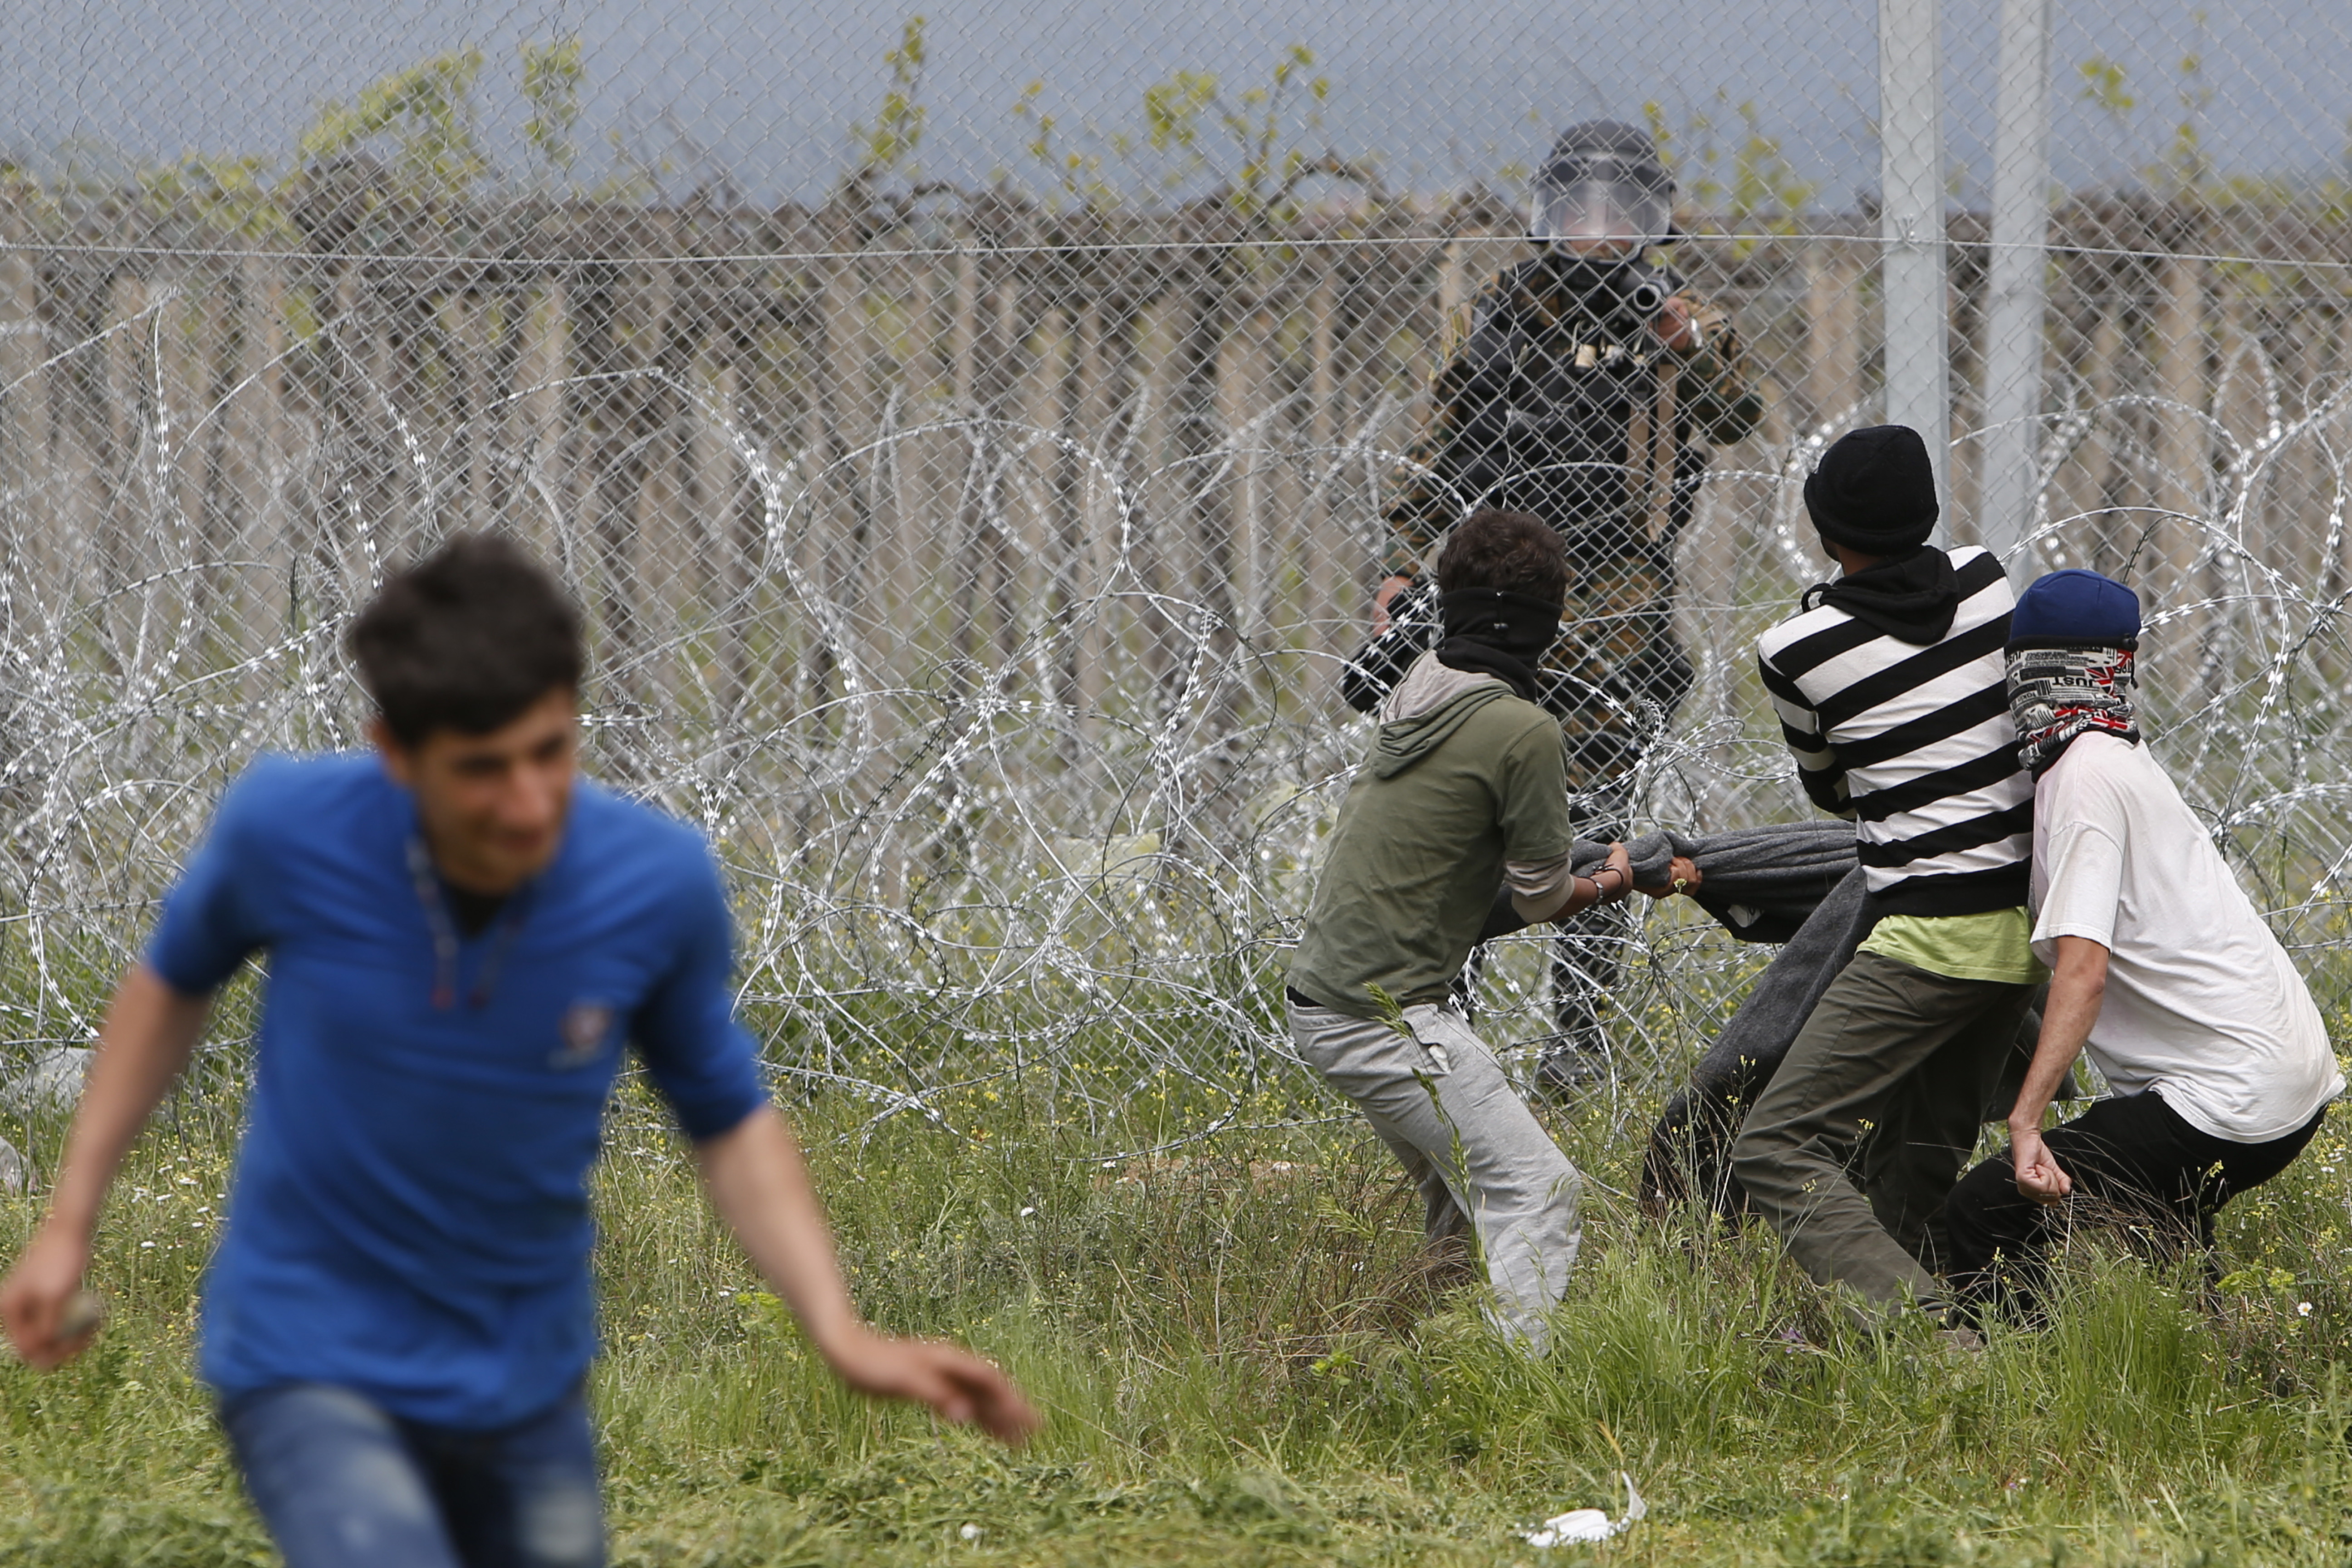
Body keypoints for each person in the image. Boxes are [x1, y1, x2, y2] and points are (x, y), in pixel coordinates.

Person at [0, 536, 1037, 1568]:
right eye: (482, 770)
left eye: (550, 752)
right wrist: (68, 1225)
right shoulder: (289, 832)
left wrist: (839, 1328)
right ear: (395, 752)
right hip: (308, 1353)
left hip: (523, 1377)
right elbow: (169, 989)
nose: (529, 801)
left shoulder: (653, 885)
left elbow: (729, 1124)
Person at [1369, 119, 1763, 1095]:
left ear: (1651, 218)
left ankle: (1577, 1041)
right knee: (1470, 811)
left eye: (1618, 209)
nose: (1597, 229)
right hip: (1493, 598)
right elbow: (1435, 448)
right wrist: (1399, 566)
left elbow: (1736, 414)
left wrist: (1685, 343)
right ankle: (1448, 1027)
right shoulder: (1495, 316)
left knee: (1595, 823)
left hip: (1616, 606)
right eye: (1579, 208)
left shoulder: (1674, 320)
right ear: (1548, 213)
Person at [1288, 507, 1647, 1352]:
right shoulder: (1524, 729)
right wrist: (1614, 879)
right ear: (1549, 622)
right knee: (1538, 1190)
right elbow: (1539, 898)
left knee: (1464, 1192)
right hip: (1383, 1017)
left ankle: (1428, 1349)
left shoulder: (1423, 683)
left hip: (1326, 997)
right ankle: (1518, 1383)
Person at [1943, 570, 2342, 1317]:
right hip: (2285, 1083)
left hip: (2226, 1098)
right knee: (2163, 1225)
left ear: (2030, 669)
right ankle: (2213, 1348)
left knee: (1983, 1216)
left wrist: (2026, 1122)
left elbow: (2083, 972)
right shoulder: (2119, 756)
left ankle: (2012, 1369)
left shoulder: (2085, 777)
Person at [1727, 425, 2041, 1328]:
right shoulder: (1986, 579)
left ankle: (1933, 1347)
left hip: (1927, 937)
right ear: (1928, 512)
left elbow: (1832, 791)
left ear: (1826, 530)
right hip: (2029, 929)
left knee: (1776, 1149)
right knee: (1914, 1162)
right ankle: (1883, 1353)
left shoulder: (1797, 649)